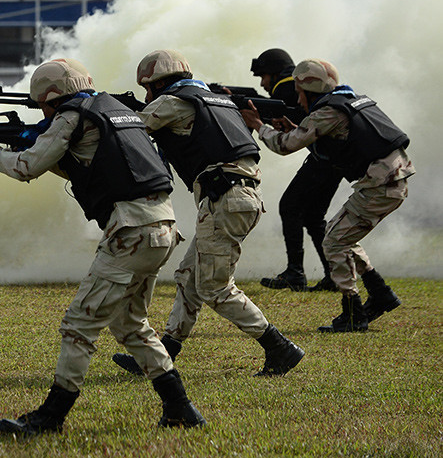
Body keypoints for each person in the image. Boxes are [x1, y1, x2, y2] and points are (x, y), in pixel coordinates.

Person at [0, 58, 206, 435]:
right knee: (131, 326)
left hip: (130, 232)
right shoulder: (117, 110)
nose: (45, 113)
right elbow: (88, 164)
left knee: (79, 326)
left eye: (44, 106)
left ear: (51, 98)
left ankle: (52, 416)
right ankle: (181, 409)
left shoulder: (70, 116)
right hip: (162, 227)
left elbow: (27, 167)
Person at [111, 49, 304, 378]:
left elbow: (131, 135)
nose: (146, 95)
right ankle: (164, 353)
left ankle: (279, 347)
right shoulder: (213, 98)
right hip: (236, 197)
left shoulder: (171, 102)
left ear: (161, 84)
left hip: (224, 199)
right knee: (189, 276)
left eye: (148, 88)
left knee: (215, 287)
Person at [241, 58, 413, 332]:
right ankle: (380, 293)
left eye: (300, 94)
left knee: (333, 240)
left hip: (381, 184)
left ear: (310, 90)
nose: (298, 100)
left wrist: (259, 125)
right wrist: (295, 128)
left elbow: (285, 146)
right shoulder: (350, 99)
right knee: (341, 234)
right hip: (390, 179)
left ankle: (353, 312)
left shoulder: (328, 112)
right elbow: (332, 139)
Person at [250, 49, 343, 292]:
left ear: (274, 72)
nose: (262, 83)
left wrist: (258, 123)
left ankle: (295, 272)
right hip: (332, 161)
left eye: (263, 76)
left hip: (323, 162)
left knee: (289, 206)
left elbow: (291, 137)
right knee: (313, 217)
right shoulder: (300, 87)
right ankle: (333, 275)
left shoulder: (284, 87)